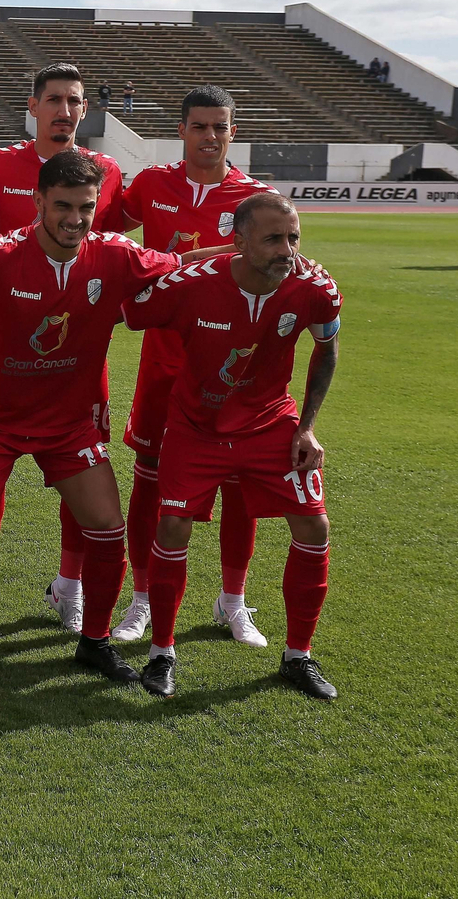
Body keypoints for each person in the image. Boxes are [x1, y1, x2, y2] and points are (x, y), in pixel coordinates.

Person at [0, 150, 187, 688]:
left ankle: (94, 643)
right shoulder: (2, 254)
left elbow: (184, 265)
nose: (75, 218)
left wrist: (247, 252)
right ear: (39, 202)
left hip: (68, 424)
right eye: (63, 206)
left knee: (107, 530)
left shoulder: (116, 254)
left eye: (86, 207)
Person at [122, 194, 342, 700]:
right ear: (239, 242)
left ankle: (298, 657)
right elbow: (131, 311)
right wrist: (188, 260)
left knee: (314, 524)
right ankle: (161, 652)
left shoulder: (315, 287)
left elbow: (327, 350)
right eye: (273, 239)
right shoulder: (195, 283)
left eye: (293, 237)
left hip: (271, 423)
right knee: (172, 524)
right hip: (196, 425)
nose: (287, 250)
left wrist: (307, 427)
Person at [0, 63, 127, 635]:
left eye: (75, 101)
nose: (65, 111)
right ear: (33, 105)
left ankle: (70, 586)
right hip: (10, 344)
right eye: (54, 100)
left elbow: (108, 246)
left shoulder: (108, 171)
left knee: (84, 479)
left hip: (80, 358)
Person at [111, 85, 277, 646]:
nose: (210, 136)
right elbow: (104, 234)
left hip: (232, 365)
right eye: (200, 126)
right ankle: (140, 598)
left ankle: (234, 601)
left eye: (220, 127)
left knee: (237, 482)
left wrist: (185, 261)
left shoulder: (257, 198)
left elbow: (278, 265)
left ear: (233, 131)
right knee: (149, 476)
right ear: (180, 130)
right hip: (164, 360)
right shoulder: (151, 185)